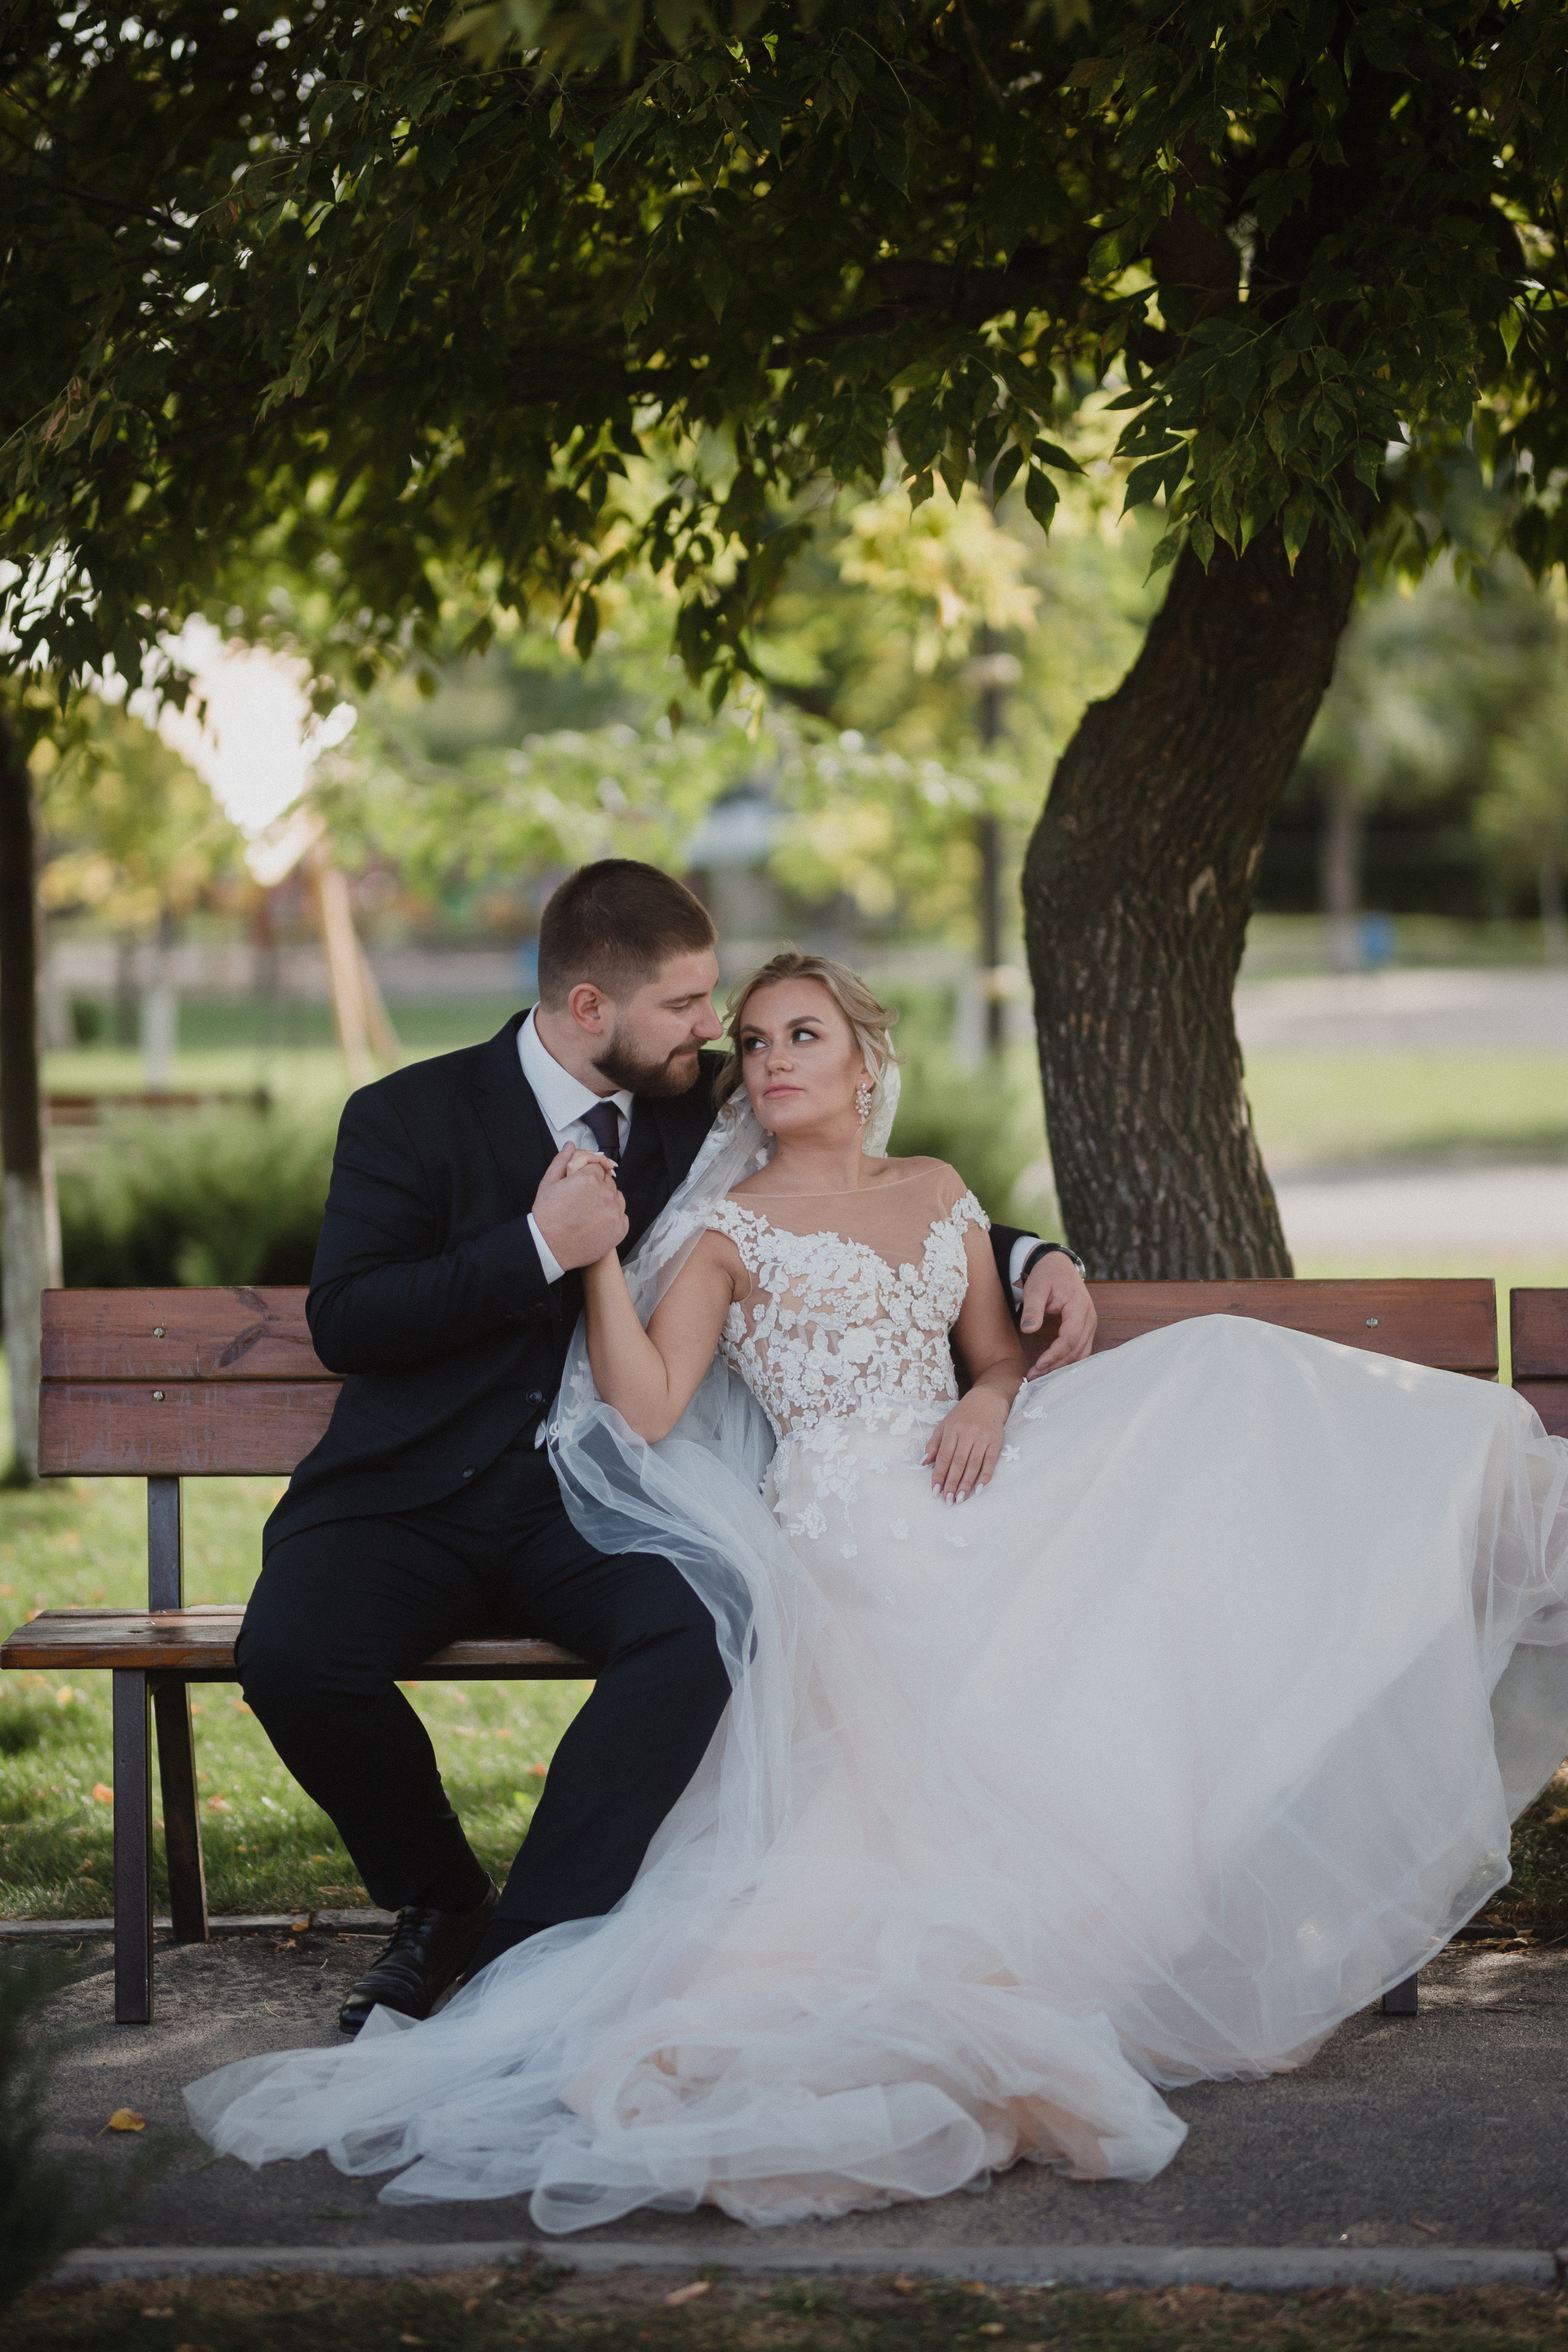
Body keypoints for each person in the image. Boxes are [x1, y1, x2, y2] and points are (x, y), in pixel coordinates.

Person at [189, 947, 1568, 2228]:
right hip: (840, 1523)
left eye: (804, 1035)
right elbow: (652, 1404)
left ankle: (1477, 1520)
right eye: (749, 1041)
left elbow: (989, 1353)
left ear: (864, 1059)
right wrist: (600, 1256)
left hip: (976, 1477)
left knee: (1219, 1374)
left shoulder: (937, 1191)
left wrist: (991, 1387)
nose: (772, 1058)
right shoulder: (722, 1226)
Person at [235, 869, 1080, 2034]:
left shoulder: (699, 1101)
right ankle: (441, 1901)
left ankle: (536, 1942)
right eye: (688, 1006)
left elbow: (862, 1180)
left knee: (698, 1632)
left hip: (587, 1504)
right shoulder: (405, 1116)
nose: (714, 1030)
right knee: (290, 1657)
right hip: (409, 1496)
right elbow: (351, 1319)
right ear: (594, 1010)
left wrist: (1031, 1251)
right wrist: (540, 1242)